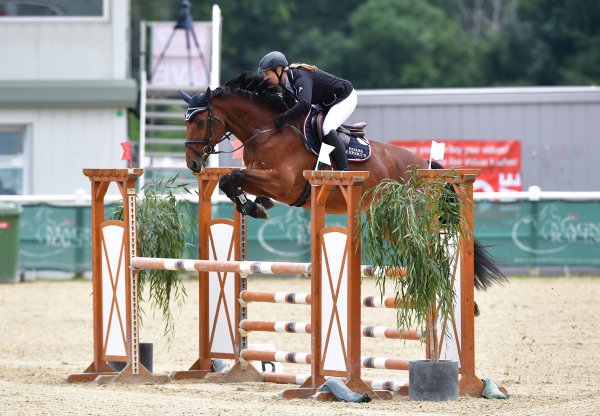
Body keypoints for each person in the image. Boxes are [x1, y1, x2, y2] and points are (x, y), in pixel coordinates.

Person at [258, 51, 357, 171]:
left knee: (327, 128)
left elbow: (304, 103)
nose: (265, 79)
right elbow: (290, 107)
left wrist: (281, 118)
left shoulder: (300, 76)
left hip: (344, 97)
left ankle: (345, 169)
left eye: (267, 74)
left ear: (278, 70)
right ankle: (323, 162)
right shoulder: (285, 84)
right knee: (308, 124)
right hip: (324, 102)